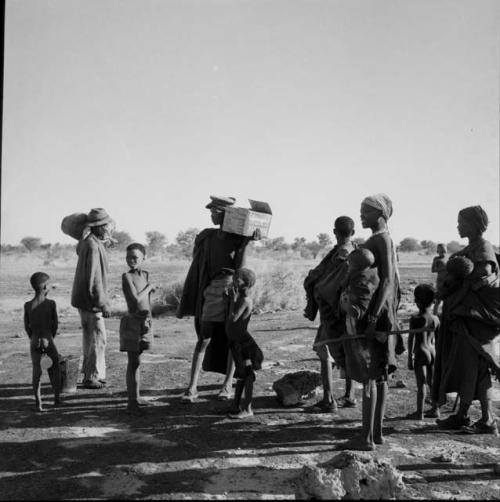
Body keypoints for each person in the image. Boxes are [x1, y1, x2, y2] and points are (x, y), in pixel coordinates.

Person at [177, 196, 259, 402]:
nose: (212, 215)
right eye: (211, 212)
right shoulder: (208, 237)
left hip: (231, 290)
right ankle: (192, 387)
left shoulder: (238, 237)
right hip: (211, 290)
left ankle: (226, 386)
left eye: (215, 212)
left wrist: (247, 243)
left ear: (225, 214)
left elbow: (239, 269)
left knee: (232, 339)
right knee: (203, 338)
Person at [342, 193, 401, 451]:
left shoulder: (383, 239)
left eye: (365, 212)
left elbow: (387, 280)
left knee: (369, 374)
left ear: (379, 215)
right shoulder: (378, 239)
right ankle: (376, 434)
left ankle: (366, 437)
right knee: (379, 376)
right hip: (380, 313)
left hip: (375, 315)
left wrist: (374, 317)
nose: (361, 216)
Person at [434, 205, 500, 434]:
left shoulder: (483, 247)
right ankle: (469, 415)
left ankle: (484, 418)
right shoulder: (470, 248)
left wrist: (460, 283)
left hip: (477, 321)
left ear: (473, 224)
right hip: (465, 319)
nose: (458, 226)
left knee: (474, 369)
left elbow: (485, 275)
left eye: (461, 222)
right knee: (469, 368)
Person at [305, 216, 357, 413]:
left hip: (332, 310)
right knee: (347, 350)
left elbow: (328, 279)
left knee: (325, 352)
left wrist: (314, 281)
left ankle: (329, 398)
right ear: (353, 233)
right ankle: (350, 395)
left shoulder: (341, 254)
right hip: (347, 309)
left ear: (335, 232)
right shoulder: (355, 251)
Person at [71, 208, 114, 389]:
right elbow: (94, 279)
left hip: (84, 299)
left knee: (92, 338)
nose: (109, 228)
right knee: (97, 338)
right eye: (106, 226)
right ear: (101, 227)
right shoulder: (93, 246)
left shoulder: (87, 242)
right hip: (91, 301)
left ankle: (94, 373)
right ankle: (91, 377)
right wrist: (102, 304)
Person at [120, 243, 157, 415]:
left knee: (137, 362)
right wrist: (149, 287)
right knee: (132, 362)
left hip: (145, 323)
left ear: (144, 258)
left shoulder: (145, 274)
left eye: (135, 257)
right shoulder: (126, 276)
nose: (131, 261)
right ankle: (131, 402)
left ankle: (136, 397)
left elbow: (146, 302)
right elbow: (134, 301)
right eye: (128, 257)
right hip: (132, 323)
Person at [225, 267, 263, 419]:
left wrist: (232, 301)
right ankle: (235, 405)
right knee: (241, 374)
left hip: (244, 344)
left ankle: (247, 408)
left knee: (247, 374)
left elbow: (233, 318)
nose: (233, 281)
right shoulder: (238, 298)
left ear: (246, 284)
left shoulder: (245, 300)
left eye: (237, 279)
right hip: (236, 342)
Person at [24, 272, 61, 412]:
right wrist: (50, 338)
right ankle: (56, 399)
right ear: (45, 286)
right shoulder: (51, 304)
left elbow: (26, 326)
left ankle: (38, 403)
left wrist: (33, 337)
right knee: (55, 367)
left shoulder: (27, 305)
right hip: (48, 339)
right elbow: (55, 324)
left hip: (34, 340)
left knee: (36, 372)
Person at [406, 284, 440, 420]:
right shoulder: (436, 319)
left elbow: (410, 339)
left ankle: (419, 412)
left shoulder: (415, 319)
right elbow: (438, 340)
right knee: (432, 382)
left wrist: (409, 357)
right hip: (432, 351)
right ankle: (435, 408)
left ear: (417, 301)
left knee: (421, 384)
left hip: (421, 350)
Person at [432, 243, 448, 314]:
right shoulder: (436, 259)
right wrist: (442, 268)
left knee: (447, 299)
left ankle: (445, 315)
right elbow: (433, 270)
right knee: (438, 300)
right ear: (438, 250)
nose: (441, 250)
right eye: (440, 249)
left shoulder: (448, 258)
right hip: (440, 281)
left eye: (443, 248)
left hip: (448, 281)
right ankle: (434, 315)